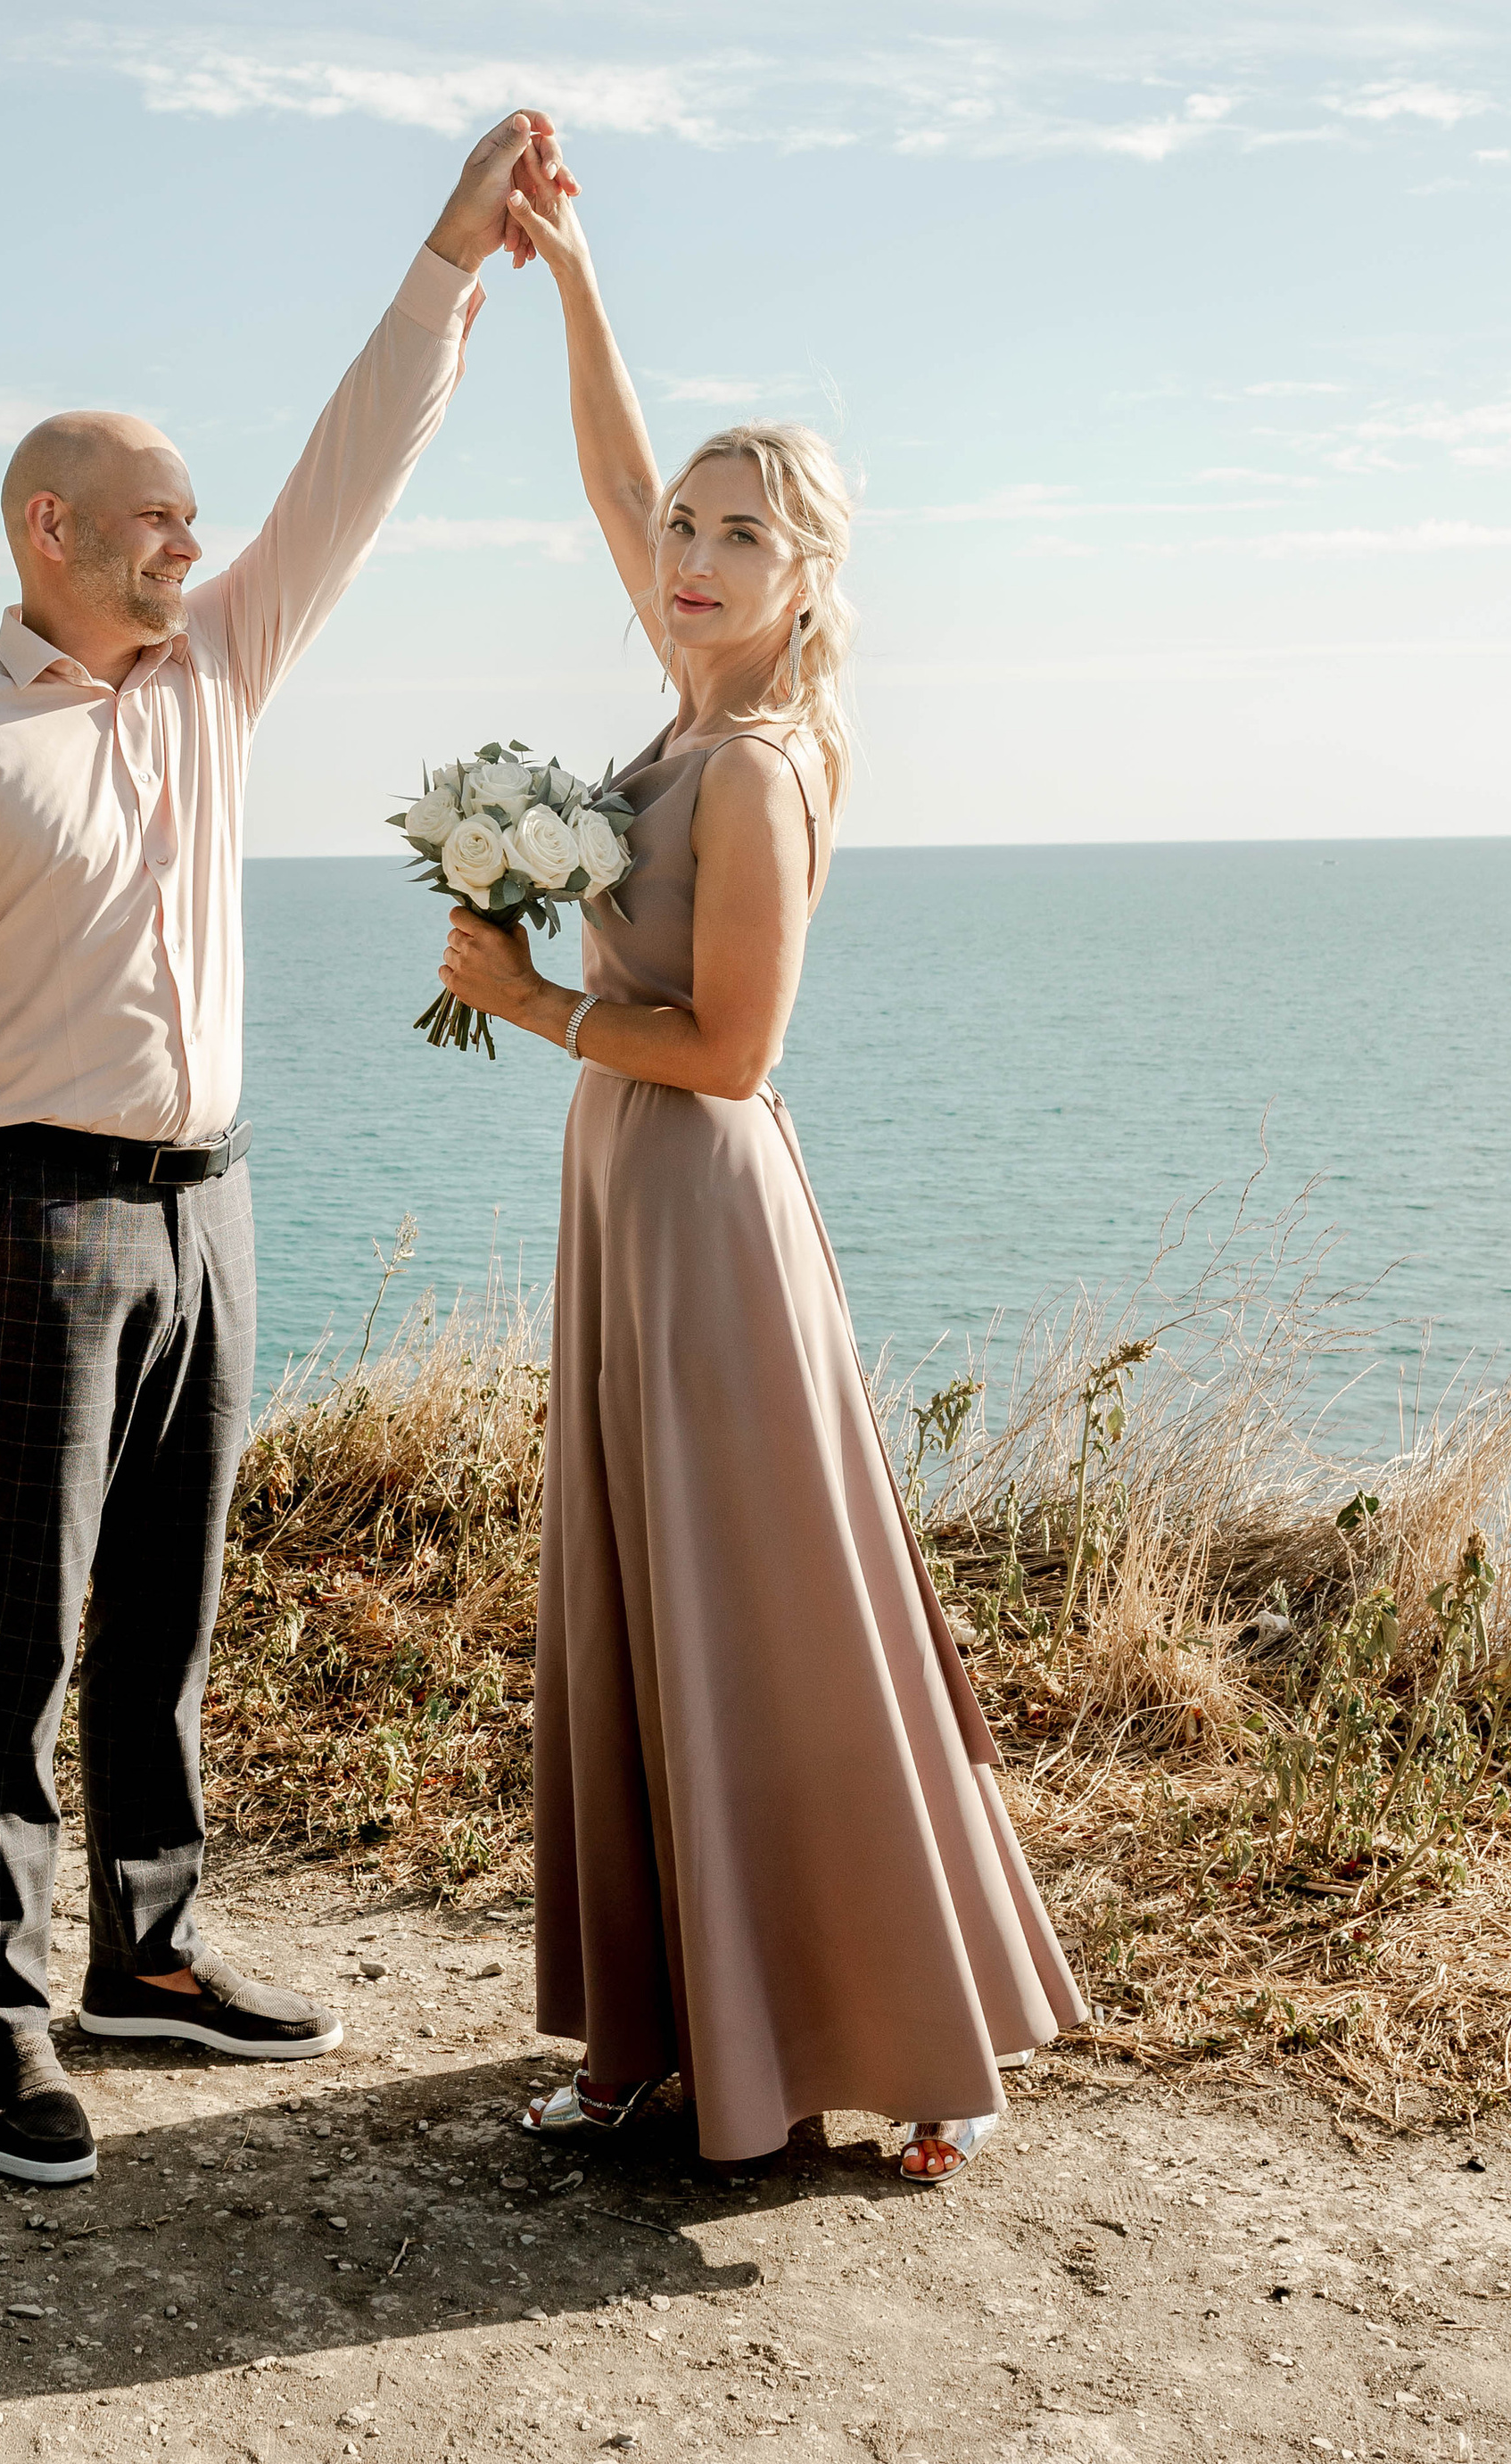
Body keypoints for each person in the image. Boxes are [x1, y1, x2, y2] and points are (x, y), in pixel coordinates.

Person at [0, 110, 574, 2186]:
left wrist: (448, 257)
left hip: (208, 1203)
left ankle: (144, 1954)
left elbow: (354, 464)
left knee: (169, 1607)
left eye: (197, 523)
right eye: (156, 521)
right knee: (20, 1626)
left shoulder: (216, 673)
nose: (192, 550)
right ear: (48, 526)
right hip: (34, 1207)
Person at [436, 172, 1086, 2184]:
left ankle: (908, 2033)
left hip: (704, 1206)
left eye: (740, 536)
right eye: (683, 532)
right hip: (624, 1200)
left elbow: (730, 1055)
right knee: (649, 1608)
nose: (692, 556)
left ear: (806, 580)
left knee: (774, 1615)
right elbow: (611, 473)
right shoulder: (684, 695)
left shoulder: (758, 766)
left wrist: (526, 1001)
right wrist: (575, 279)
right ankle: (664, 2033)